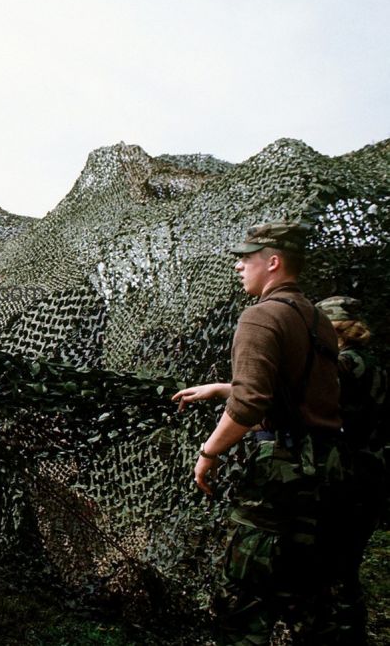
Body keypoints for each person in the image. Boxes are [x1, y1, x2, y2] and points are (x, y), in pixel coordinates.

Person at [172, 221, 356, 644]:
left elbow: (251, 403)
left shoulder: (260, 316)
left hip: (282, 473)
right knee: (311, 590)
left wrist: (209, 452)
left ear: (272, 263)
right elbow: (301, 390)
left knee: (245, 597)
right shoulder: (316, 318)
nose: (238, 266)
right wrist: (222, 387)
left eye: (246, 258)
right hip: (329, 468)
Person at [315, 295, 388, 638]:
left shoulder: (347, 363)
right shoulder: (370, 362)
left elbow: (312, 395)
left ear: (335, 329)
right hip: (368, 471)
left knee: (336, 567)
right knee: (345, 567)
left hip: (352, 474)